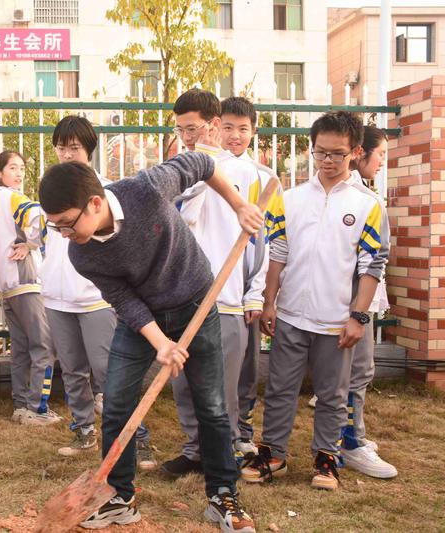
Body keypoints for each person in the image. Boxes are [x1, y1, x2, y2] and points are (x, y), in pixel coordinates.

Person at [39, 154, 261, 532]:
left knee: (212, 405)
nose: (62, 234)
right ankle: (120, 498)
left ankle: (223, 494)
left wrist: (239, 206)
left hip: (195, 301)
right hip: (141, 318)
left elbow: (202, 163)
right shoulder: (82, 252)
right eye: (54, 225)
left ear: (95, 203)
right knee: (117, 405)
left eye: (66, 223)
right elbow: (124, 299)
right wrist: (160, 342)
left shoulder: (147, 189)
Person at [242, 111, 388, 490]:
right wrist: (270, 301)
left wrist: (358, 316)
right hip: (290, 316)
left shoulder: (368, 204)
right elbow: (278, 253)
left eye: (337, 154)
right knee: (278, 389)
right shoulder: (289, 200)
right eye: (320, 152)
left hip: (336, 321)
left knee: (333, 394)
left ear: (355, 152)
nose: (327, 161)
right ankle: (273, 454)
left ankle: (326, 457)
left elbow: (372, 265)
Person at [165, 90, 268, 478]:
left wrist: (254, 292)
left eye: (193, 129)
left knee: (220, 388)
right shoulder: (181, 167)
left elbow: (263, 243)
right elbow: (176, 220)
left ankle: (221, 456)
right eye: (180, 129)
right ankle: (194, 450)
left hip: (226, 296)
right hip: (184, 293)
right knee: (183, 382)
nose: (187, 136)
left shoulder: (255, 176)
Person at [41, 116, 154, 469]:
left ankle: (138, 436)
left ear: (88, 149)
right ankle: (83, 430)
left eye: (74, 147)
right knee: (72, 369)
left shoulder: (105, 192)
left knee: (110, 371)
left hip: (95, 297)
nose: (67, 154)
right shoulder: (51, 187)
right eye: (61, 147)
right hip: (57, 296)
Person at [218, 96, 279, 462]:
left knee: (245, 366)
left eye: (243, 128)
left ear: (253, 131)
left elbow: (265, 241)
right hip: (212, 285)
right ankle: (216, 434)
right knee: (216, 368)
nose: (235, 135)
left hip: (245, 286)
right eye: (228, 127)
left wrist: (255, 293)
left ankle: (242, 432)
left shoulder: (263, 177)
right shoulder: (205, 169)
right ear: (217, 128)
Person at [339, 125, 396, 479]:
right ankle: (350, 442)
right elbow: (373, 259)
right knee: (356, 373)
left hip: (359, 301)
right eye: (381, 156)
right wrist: (359, 312)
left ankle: (350, 435)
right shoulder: (362, 201)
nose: (382, 163)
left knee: (357, 374)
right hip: (353, 302)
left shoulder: (362, 195)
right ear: (360, 153)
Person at [0, 151, 60, 425]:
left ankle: (20, 406)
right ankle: (37, 409)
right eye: (12, 168)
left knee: (20, 347)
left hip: (6, 283)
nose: (18, 174)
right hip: (26, 280)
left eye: (21, 168)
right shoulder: (13, 197)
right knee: (43, 345)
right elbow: (42, 217)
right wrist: (32, 244)